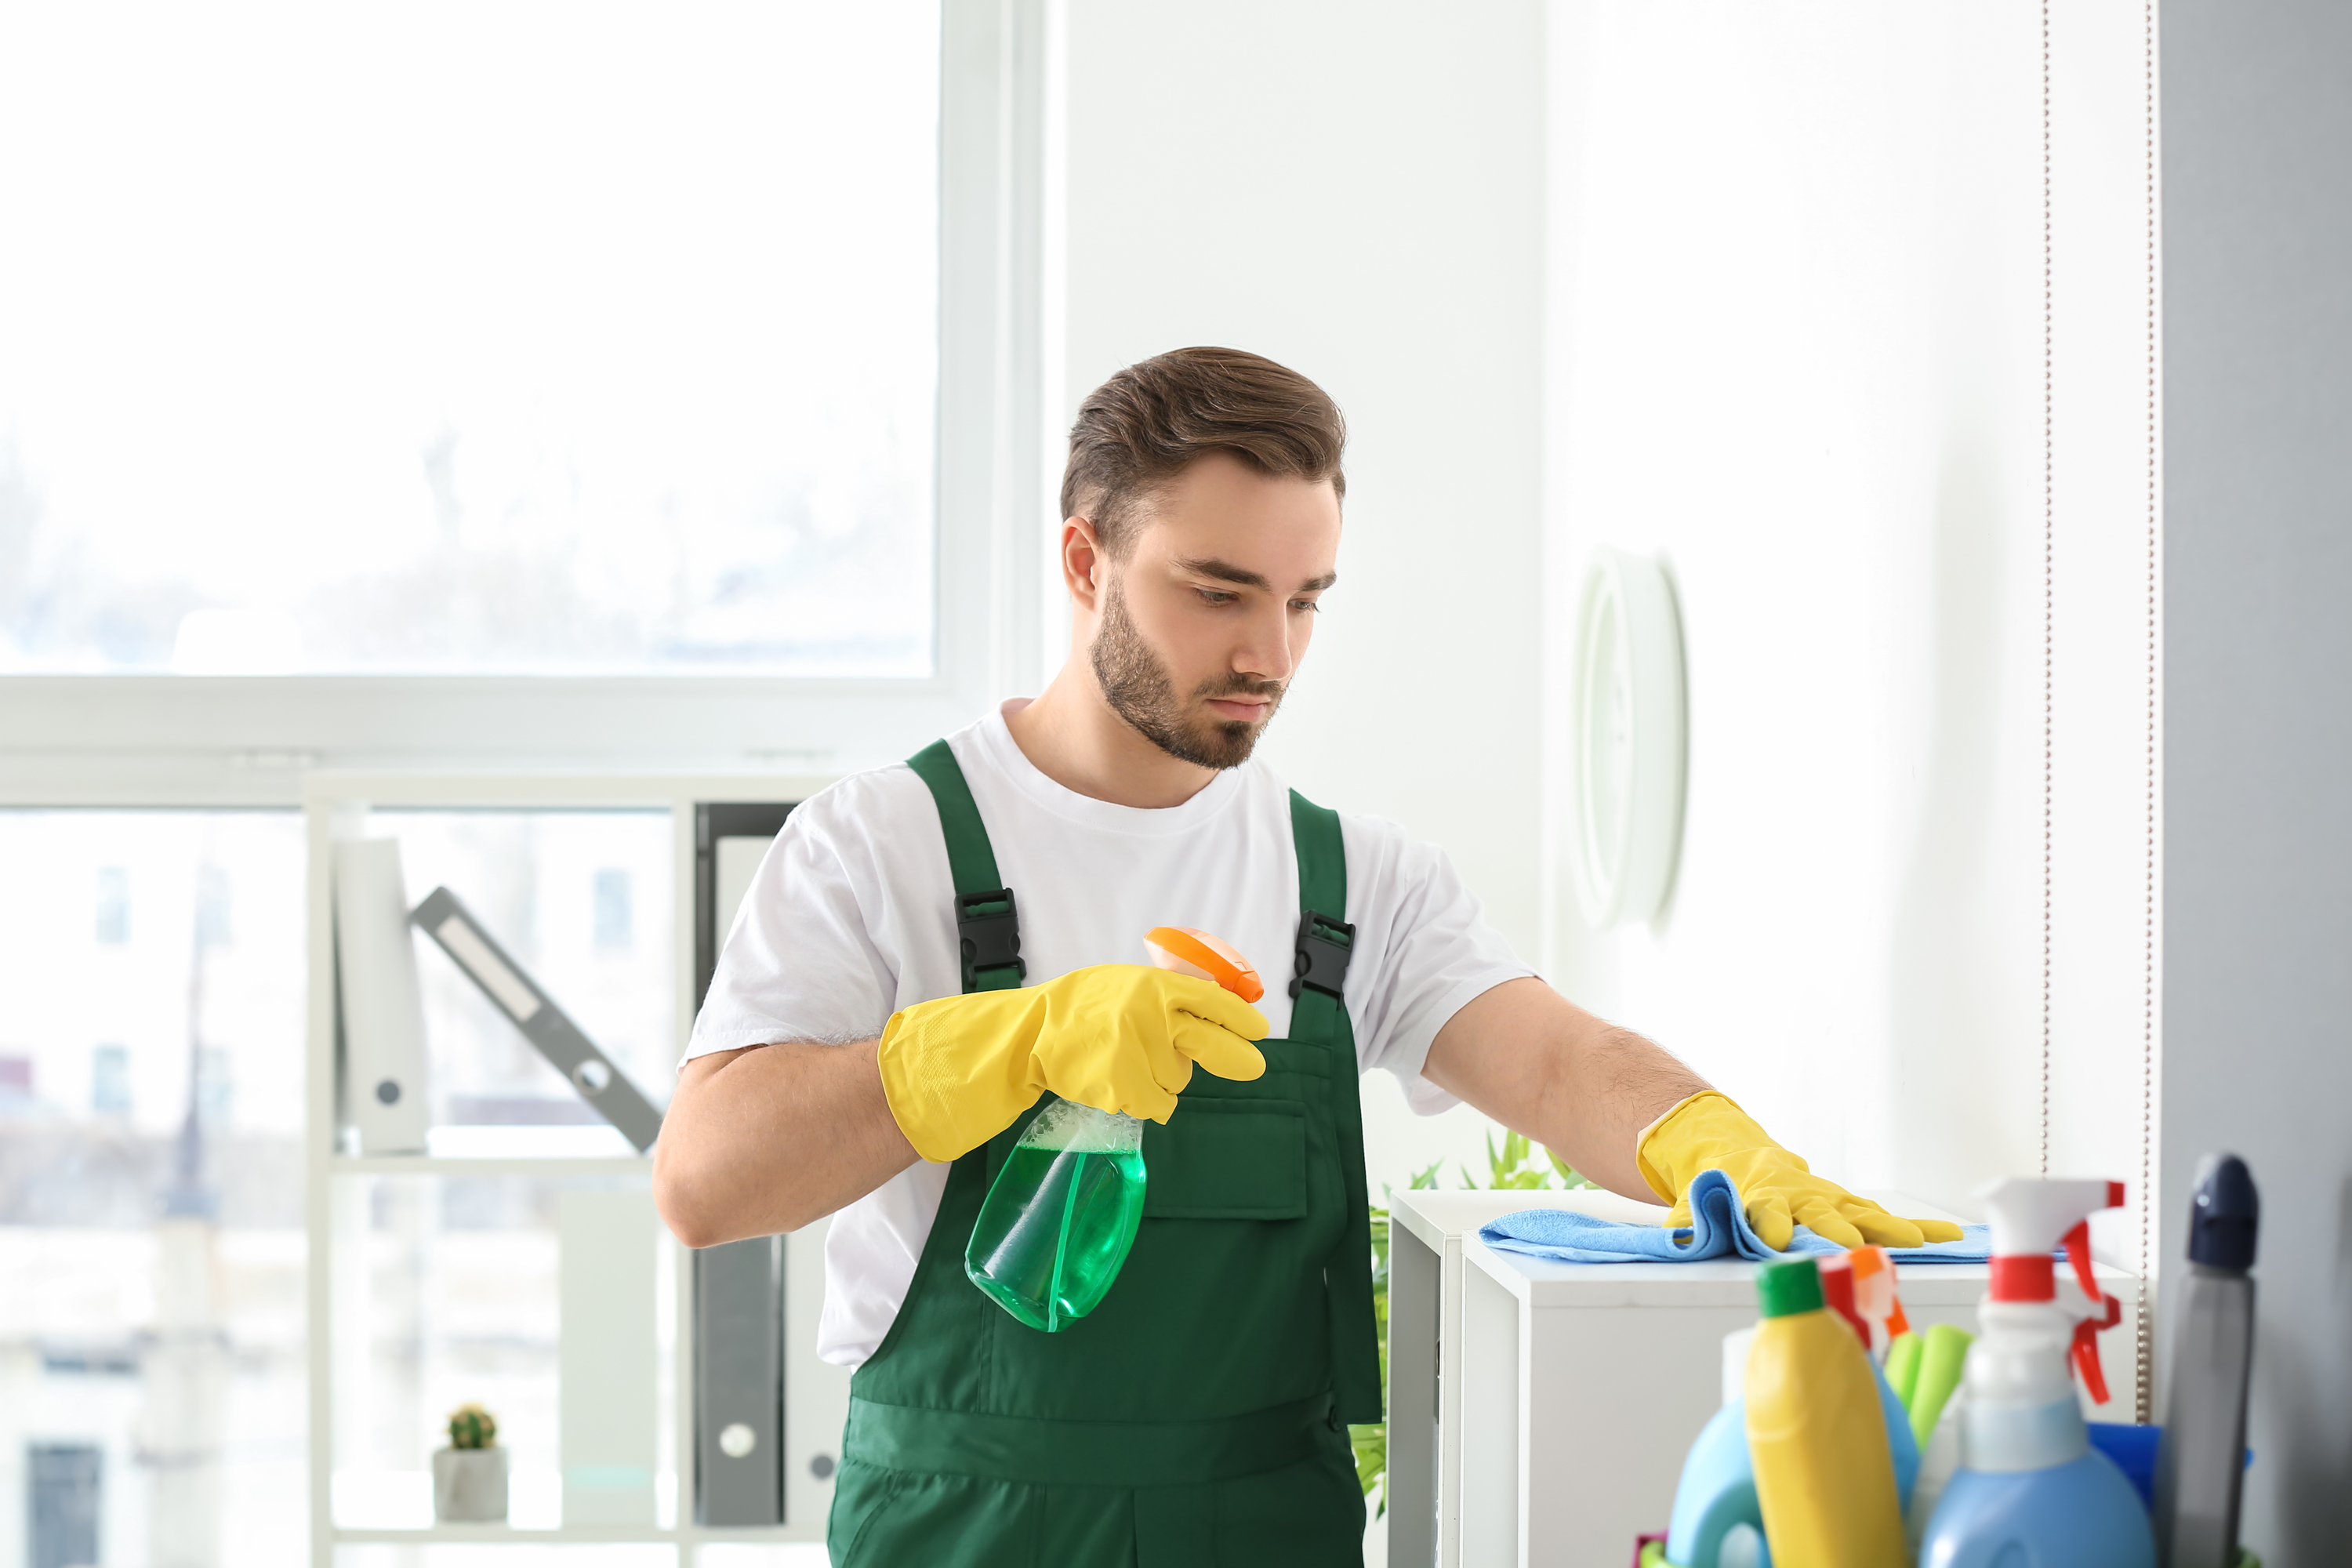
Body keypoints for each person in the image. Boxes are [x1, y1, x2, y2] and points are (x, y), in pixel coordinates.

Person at [653, 347, 1958, 1566]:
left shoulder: (1348, 883)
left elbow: (1559, 1067)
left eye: (1305, 601)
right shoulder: (884, 844)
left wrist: (1710, 1141)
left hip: (1265, 1527)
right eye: (1218, 592)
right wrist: (1019, 1041)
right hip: (961, 1522)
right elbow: (706, 1181)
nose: (1268, 655)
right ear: (1085, 560)